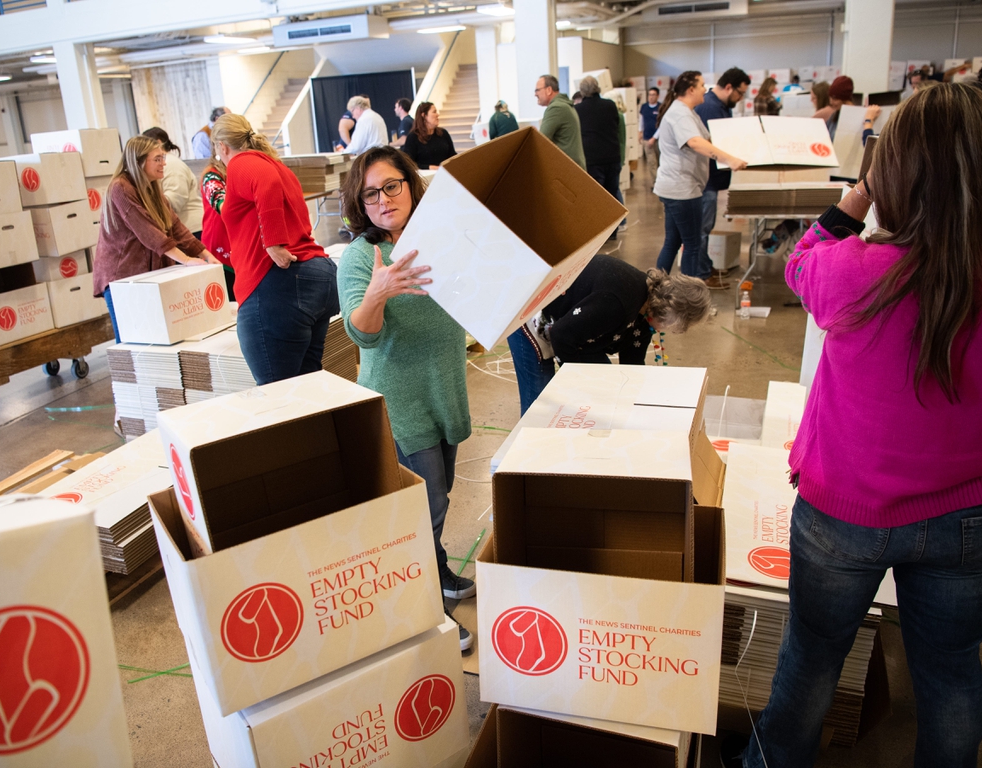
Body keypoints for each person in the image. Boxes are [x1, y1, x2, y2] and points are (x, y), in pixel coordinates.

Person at [719, 83, 982, 768]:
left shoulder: (852, 272)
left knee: (812, 659)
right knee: (950, 671)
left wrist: (855, 197)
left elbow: (799, 260)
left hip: (844, 510)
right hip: (975, 512)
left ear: (891, 173)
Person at [336, 146, 476, 651]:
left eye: (392, 185)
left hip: (445, 392)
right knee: (423, 510)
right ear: (360, 202)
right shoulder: (361, 257)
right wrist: (377, 292)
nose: (383, 199)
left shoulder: (438, 240)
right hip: (401, 403)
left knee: (437, 500)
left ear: (411, 186)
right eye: (370, 192)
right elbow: (362, 335)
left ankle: (436, 572)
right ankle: (426, 614)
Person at [211, 114, 339, 385]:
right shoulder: (276, 165)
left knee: (278, 397)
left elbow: (264, 182)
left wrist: (273, 242)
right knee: (307, 386)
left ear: (222, 146)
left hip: (276, 283)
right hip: (313, 277)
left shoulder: (242, 163)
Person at [508, 254, 711, 412]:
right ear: (669, 313)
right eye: (675, 327)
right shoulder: (617, 303)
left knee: (607, 389)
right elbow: (561, 335)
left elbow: (632, 367)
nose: (671, 332)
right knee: (539, 407)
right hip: (532, 313)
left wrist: (638, 402)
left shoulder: (646, 310)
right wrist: (578, 382)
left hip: (575, 332)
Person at [93, 136, 215, 343]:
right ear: (139, 161)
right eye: (157, 159)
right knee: (131, 341)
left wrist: (205, 254)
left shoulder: (152, 187)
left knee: (155, 339)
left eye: (163, 158)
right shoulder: (120, 188)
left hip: (147, 274)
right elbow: (147, 231)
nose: (164, 163)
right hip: (123, 275)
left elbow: (175, 225)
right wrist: (185, 259)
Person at [653, 71, 746, 285]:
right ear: (691, 89)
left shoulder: (688, 112)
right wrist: (730, 160)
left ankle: (656, 288)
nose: (706, 89)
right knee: (692, 245)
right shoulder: (681, 114)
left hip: (679, 188)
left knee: (673, 242)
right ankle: (688, 296)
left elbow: (708, 139)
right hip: (682, 190)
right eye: (702, 85)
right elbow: (695, 142)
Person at [694, 68, 750, 278]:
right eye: (740, 93)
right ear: (729, 88)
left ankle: (705, 268)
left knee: (705, 229)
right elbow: (710, 146)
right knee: (701, 230)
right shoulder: (709, 108)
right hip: (706, 180)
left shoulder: (720, 106)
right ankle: (702, 275)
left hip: (712, 180)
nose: (741, 98)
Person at [574, 76, 623, 223]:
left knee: (596, 198)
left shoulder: (578, 110)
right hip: (612, 156)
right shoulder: (610, 106)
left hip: (592, 159)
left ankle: (600, 229)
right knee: (612, 195)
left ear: (581, 91)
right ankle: (613, 230)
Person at [142, 127, 203, 240]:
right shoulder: (165, 164)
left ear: (158, 142)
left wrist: (147, 206)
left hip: (191, 229)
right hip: (182, 228)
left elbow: (175, 201)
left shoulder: (171, 164)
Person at [199, 156, 236, 301]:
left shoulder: (239, 172)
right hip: (219, 243)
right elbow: (223, 206)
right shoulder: (212, 176)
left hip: (237, 242)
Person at [536, 74, 585, 167]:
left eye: (537, 90)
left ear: (549, 90)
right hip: (574, 169)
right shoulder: (565, 105)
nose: (535, 94)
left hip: (567, 170)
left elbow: (541, 141)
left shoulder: (556, 108)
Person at [402, 101, 457, 170]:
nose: (437, 115)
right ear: (424, 115)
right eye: (434, 112)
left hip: (445, 174)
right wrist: (429, 167)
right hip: (425, 177)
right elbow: (408, 163)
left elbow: (452, 155)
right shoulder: (413, 137)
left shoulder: (443, 133)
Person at [639, 87, 662, 179]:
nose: (651, 97)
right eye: (650, 95)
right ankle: (655, 182)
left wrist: (654, 137)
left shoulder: (661, 107)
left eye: (653, 95)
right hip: (646, 138)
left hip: (658, 139)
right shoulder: (644, 107)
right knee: (651, 162)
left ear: (657, 96)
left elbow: (662, 124)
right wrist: (640, 131)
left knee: (659, 162)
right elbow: (641, 120)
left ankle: (661, 181)